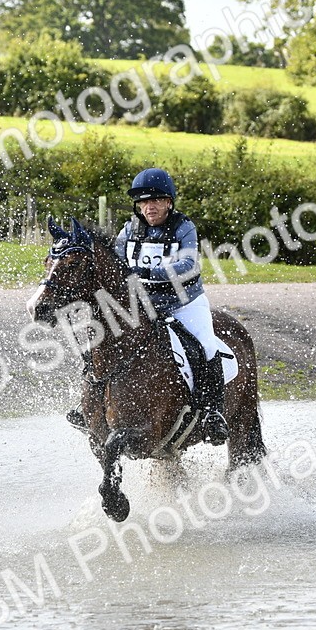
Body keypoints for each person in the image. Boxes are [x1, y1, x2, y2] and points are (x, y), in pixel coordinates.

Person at [69, 168, 230, 445]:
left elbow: (189, 265)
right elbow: (118, 263)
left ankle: (212, 412)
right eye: (144, 201)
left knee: (205, 346)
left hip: (183, 302)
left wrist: (148, 274)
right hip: (144, 304)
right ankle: (89, 406)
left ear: (169, 202)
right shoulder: (130, 229)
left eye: (156, 200)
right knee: (98, 340)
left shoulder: (183, 227)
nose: (149, 206)